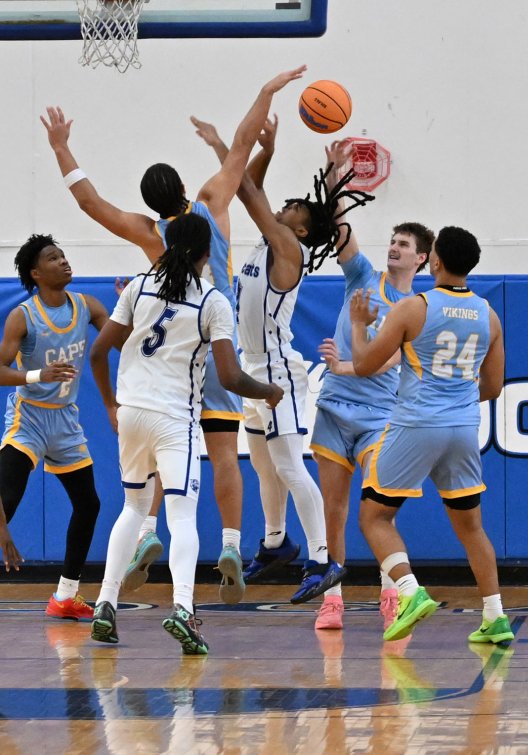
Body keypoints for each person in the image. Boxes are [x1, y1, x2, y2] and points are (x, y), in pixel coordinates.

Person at [41, 64, 305, 603]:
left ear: (150, 202)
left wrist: (62, 148)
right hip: (217, 336)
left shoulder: (146, 232)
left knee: (163, 453)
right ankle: (231, 542)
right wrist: (265, 90)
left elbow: (90, 203)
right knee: (223, 452)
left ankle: (146, 533)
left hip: (171, 356)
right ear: (184, 189)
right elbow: (241, 148)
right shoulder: (211, 205)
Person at [196, 115, 373, 603]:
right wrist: (261, 150)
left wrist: (226, 146)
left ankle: (324, 559)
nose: (288, 204)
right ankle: (277, 541)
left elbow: (247, 192)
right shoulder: (269, 240)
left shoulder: (287, 245)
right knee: (262, 464)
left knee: (292, 466)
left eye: (295, 206)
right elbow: (252, 187)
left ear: (302, 226)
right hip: (249, 367)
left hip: (277, 370)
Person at [89, 212, 283, 654]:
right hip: (175, 418)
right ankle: (182, 610)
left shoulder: (138, 286)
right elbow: (231, 378)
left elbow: (100, 351)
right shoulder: (212, 301)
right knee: (180, 517)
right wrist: (268, 390)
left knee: (133, 509)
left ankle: (105, 602)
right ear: (204, 253)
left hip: (133, 412)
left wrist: (109, 404)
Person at [350, 225, 514, 645]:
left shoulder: (413, 307)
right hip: (462, 428)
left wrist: (357, 324)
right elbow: (493, 387)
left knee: (375, 515)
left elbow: (366, 365)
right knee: (471, 527)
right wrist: (455, 399)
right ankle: (495, 615)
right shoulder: (488, 314)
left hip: (417, 424)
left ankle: (409, 591)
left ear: (435, 261)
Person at [310, 141, 435, 631]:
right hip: (334, 409)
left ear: (421, 258)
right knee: (333, 511)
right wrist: (332, 175)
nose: (394, 247)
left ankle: (391, 592)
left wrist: (344, 366)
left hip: (381, 415)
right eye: (393, 241)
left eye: (404, 245)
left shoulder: (418, 309)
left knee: (378, 510)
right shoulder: (362, 275)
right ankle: (333, 597)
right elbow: (340, 227)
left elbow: (384, 365)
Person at [0, 234, 108, 617]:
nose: (63, 261)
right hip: (28, 417)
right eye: (52, 257)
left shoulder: (87, 305)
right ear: (35, 272)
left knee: (89, 503)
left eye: (63, 255)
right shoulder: (23, 315)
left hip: (64, 419)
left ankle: (65, 595)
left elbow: (119, 338)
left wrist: (130, 307)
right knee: (7, 499)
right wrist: (36, 374)